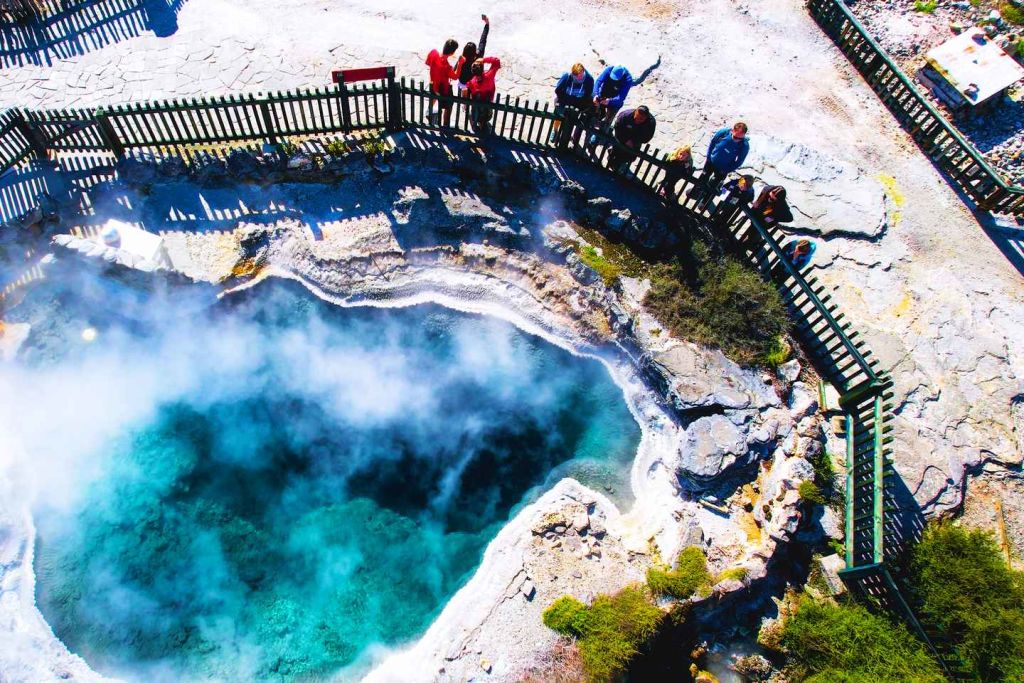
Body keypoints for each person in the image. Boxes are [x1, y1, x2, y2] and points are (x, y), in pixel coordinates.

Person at [690, 121, 749, 204]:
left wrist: (727, 170)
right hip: (711, 162)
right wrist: (709, 157)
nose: (737, 140)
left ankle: (705, 201)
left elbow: (739, 161)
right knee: (703, 178)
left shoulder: (744, 145)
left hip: (723, 169)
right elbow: (712, 143)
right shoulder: (723, 133)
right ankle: (695, 192)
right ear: (732, 130)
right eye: (735, 137)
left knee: (714, 185)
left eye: (740, 138)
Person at [551, 63, 595, 143]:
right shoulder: (567, 76)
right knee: (558, 117)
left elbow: (588, 95)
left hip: (577, 104)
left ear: (583, 71)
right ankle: (555, 131)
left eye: (581, 75)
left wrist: (580, 104)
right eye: (576, 76)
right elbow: (558, 90)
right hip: (564, 101)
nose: (579, 78)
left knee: (571, 119)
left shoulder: (589, 79)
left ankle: (566, 134)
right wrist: (565, 100)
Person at [589, 65, 633, 143]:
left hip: (615, 102)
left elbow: (621, 97)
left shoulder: (628, 79)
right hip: (603, 95)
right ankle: (591, 129)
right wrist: (596, 94)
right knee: (596, 114)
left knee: (608, 121)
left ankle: (599, 138)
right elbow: (598, 81)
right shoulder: (609, 69)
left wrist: (610, 101)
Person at [607, 106, 656, 170]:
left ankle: (619, 162)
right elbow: (617, 127)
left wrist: (633, 141)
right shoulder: (625, 115)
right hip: (623, 135)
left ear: (646, 118)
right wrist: (626, 140)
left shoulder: (650, 123)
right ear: (635, 112)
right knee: (616, 150)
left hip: (636, 140)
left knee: (631, 157)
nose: (638, 120)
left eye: (641, 119)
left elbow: (647, 138)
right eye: (636, 117)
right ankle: (612, 161)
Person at [425, 38, 459, 126]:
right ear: (452, 53)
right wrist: (461, 64)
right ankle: (445, 124)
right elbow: (455, 77)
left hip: (433, 84)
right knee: (448, 106)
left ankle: (429, 112)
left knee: (433, 98)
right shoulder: (447, 67)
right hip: (443, 89)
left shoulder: (433, 52)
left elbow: (428, 63)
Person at [466, 56, 502, 135]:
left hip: (476, 108)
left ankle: (475, 127)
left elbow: (469, 92)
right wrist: (483, 60)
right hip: (488, 106)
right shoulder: (489, 76)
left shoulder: (471, 83)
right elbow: (497, 61)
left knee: (471, 114)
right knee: (484, 115)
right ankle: (483, 126)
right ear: (482, 69)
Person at [456, 15, 490, 96]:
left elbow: (455, 71)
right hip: (474, 83)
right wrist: (487, 24)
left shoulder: (462, 59)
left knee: (464, 94)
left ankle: (464, 101)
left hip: (463, 83)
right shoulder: (479, 55)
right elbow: (483, 40)